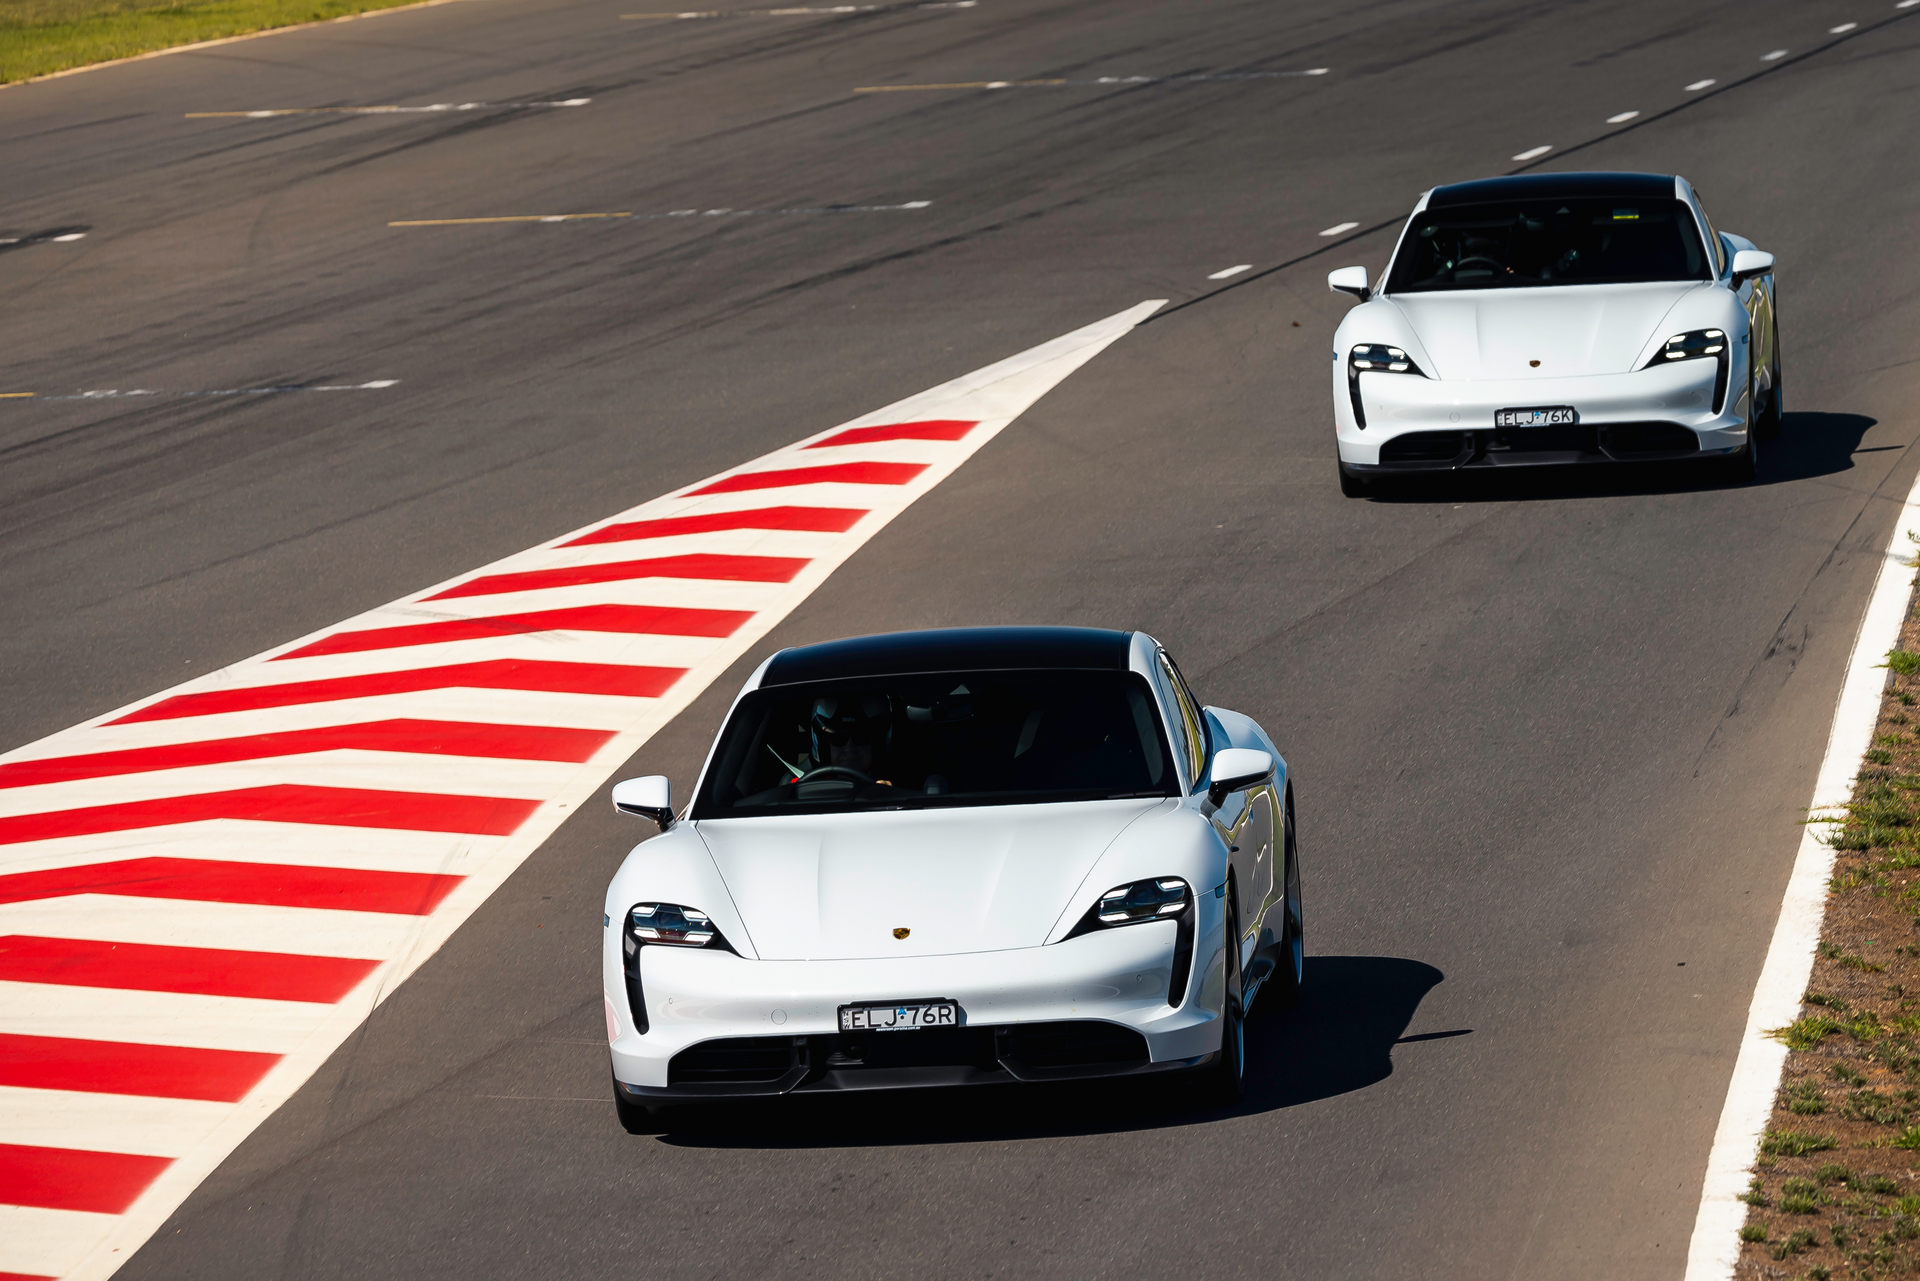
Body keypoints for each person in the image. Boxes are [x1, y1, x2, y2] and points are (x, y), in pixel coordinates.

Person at [808, 694, 894, 785]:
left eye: (861, 738)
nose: (850, 749)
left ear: (877, 743)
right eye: (839, 739)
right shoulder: (801, 788)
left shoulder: (899, 790)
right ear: (823, 745)